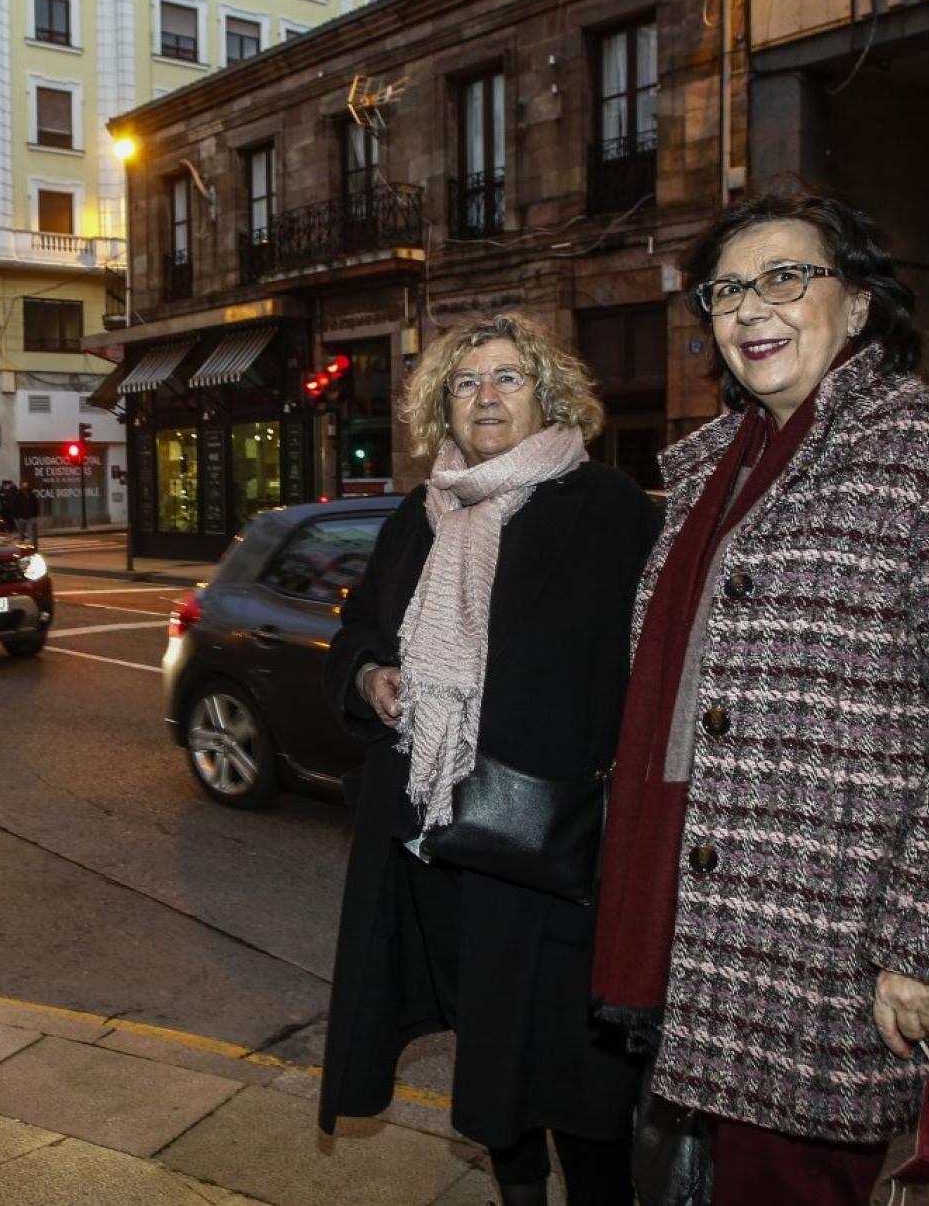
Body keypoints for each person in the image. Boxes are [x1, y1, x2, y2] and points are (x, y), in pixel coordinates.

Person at [592, 192, 929, 1205]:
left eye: (785, 277)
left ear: (857, 307)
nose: (750, 308)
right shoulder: (715, 468)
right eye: (726, 291)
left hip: (840, 943)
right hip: (708, 917)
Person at [320, 314, 660, 1206]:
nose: (487, 397)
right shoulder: (418, 516)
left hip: (558, 847)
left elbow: (652, 679)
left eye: (508, 378)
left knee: (582, 1074)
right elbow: (358, 631)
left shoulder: (609, 510)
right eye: (466, 384)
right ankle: (517, 1194)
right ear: (444, 409)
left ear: (548, 396)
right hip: (442, 845)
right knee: (491, 1053)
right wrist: (369, 677)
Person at [13, 478, 41, 546]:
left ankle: (33, 546)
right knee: (21, 534)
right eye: (23, 485)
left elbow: (35, 505)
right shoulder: (17, 495)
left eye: (26, 485)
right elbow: (14, 506)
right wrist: (16, 516)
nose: (25, 487)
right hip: (21, 517)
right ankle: (22, 546)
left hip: (30, 517)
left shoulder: (32, 495)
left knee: (31, 534)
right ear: (21, 486)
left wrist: (35, 515)